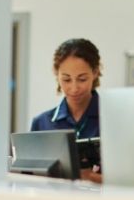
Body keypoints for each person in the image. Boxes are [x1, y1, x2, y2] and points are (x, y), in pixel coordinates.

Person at [30, 37, 103, 182]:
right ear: (56, 74)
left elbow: (130, 181)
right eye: (66, 79)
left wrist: (91, 178)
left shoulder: (114, 120)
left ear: (95, 72)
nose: (74, 88)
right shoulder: (41, 123)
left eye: (82, 79)